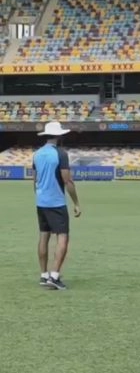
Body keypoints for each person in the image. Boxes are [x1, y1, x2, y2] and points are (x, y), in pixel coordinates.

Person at [32, 121, 81, 290]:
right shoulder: (60, 153)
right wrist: (76, 203)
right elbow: (67, 180)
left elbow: (35, 179)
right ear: (59, 136)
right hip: (56, 202)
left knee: (44, 236)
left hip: (41, 201)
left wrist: (39, 196)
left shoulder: (37, 154)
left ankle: (44, 275)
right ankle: (54, 276)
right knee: (63, 236)